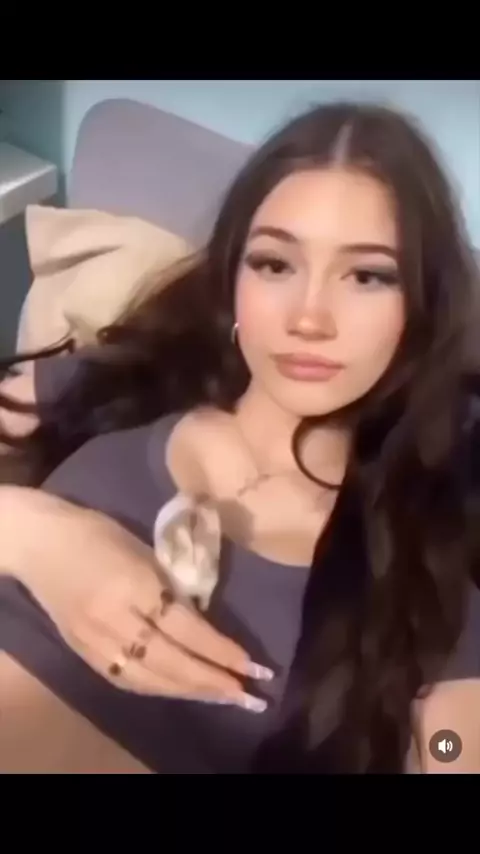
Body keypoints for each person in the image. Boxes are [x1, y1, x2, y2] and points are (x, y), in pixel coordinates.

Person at [0, 100, 479, 774]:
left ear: (423, 308)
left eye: (368, 276)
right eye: (275, 264)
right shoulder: (126, 384)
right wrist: (36, 535)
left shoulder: (419, 556)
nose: (309, 318)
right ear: (233, 277)